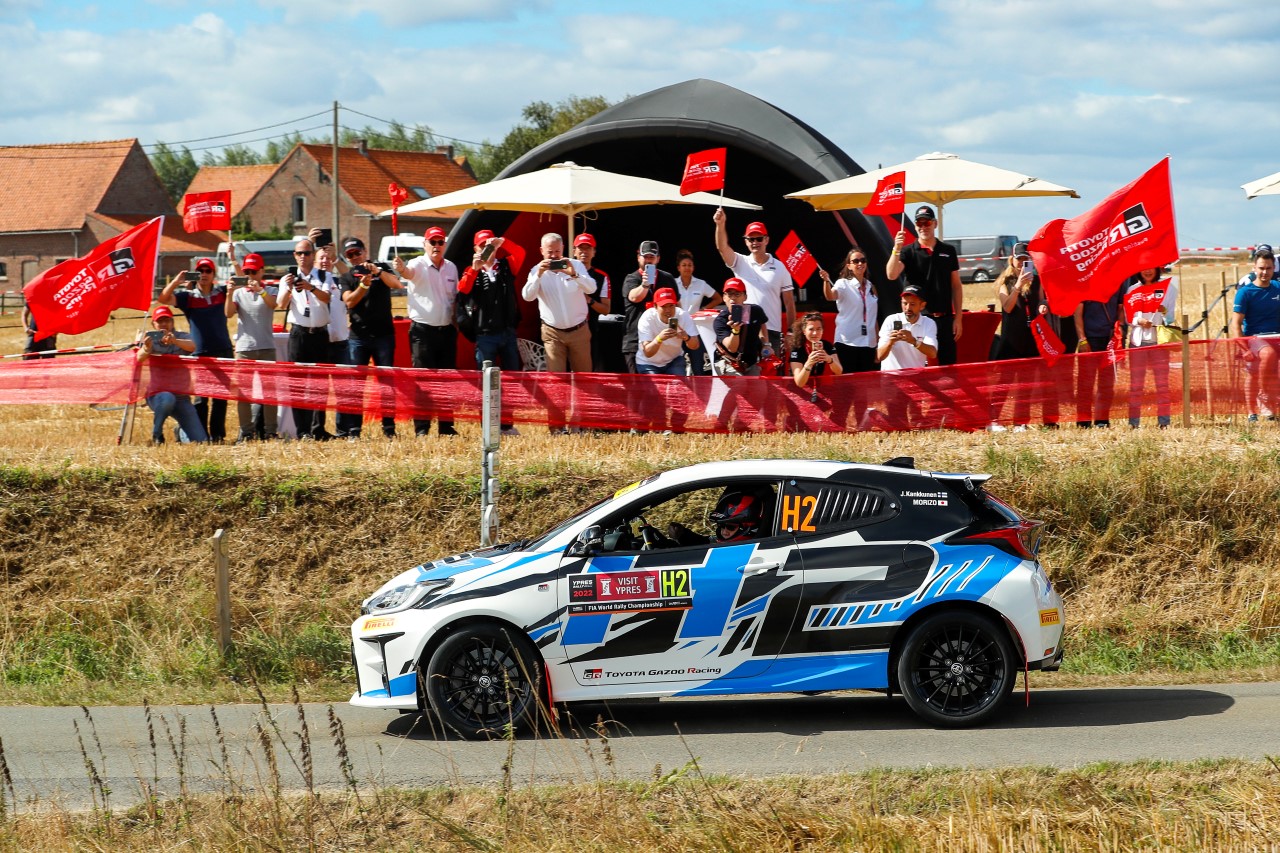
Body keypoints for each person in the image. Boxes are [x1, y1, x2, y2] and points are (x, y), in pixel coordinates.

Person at [157, 256, 234, 442]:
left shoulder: (223, 293)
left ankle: (218, 436)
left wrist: (234, 261)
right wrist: (176, 281)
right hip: (200, 353)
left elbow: (241, 282)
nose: (204, 274)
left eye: (208, 271)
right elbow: (163, 298)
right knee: (201, 398)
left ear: (214, 274)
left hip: (223, 350)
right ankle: (200, 437)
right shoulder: (188, 297)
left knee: (221, 397)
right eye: (200, 271)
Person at [395, 225, 459, 437]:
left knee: (447, 381)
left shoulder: (451, 268)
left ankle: (446, 427)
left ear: (445, 245)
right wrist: (401, 269)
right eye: (433, 242)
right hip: (422, 332)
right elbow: (408, 273)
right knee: (423, 381)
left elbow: (454, 298)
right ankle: (422, 428)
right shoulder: (417, 264)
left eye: (440, 242)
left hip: (446, 330)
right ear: (425, 244)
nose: (436, 246)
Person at [988, 243, 1060, 430]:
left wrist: (1043, 305)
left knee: (1026, 383)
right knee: (1004, 382)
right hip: (1011, 339)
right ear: (1012, 260)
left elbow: (1042, 299)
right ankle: (994, 420)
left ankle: (1021, 421)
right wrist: (1018, 286)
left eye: (1026, 260)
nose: (1022, 263)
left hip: (1031, 338)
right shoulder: (1006, 282)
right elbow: (1007, 307)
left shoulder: (1037, 281)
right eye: (1019, 259)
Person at [885, 205, 964, 365]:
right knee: (919, 364)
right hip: (920, 318)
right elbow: (891, 274)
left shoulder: (948, 250)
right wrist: (896, 249)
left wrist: (958, 318)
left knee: (949, 365)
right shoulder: (908, 251)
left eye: (927, 223)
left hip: (944, 318)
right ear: (915, 226)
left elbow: (956, 285)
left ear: (935, 223)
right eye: (919, 223)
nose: (923, 227)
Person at [341, 237, 401, 438]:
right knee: (356, 386)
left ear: (365, 252)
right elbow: (349, 302)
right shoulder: (347, 276)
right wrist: (363, 286)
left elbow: (397, 284)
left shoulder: (381, 267)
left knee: (387, 384)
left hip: (384, 335)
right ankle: (354, 429)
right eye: (350, 255)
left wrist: (378, 272)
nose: (355, 257)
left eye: (357, 253)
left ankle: (389, 428)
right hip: (358, 336)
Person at [463, 229, 521, 436]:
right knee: (486, 381)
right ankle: (487, 425)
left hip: (507, 332)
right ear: (475, 249)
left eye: (488, 246)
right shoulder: (472, 270)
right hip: (485, 335)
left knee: (512, 380)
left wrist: (502, 242)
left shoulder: (505, 265)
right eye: (482, 246)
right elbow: (463, 289)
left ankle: (507, 425)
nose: (486, 250)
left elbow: (520, 254)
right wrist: (474, 269)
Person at [713, 209, 796, 352]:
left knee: (772, 366)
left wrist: (791, 331)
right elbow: (722, 248)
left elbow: (789, 302)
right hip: (746, 328)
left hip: (772, 330)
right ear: (746, 242)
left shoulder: (780, 267)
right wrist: (720, 224)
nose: (755, 242)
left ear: (766, 240)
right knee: (746, 365)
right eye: (751, 239)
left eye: (759, 239)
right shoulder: (740, 262)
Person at [277, 238, 332, 440]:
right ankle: (302, 431)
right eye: (299, 253)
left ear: (313, 254)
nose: (302, 257)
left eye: (306, 253)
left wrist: (310, 287)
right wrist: (289, 288)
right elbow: (281, 304)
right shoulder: (287, 279)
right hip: (299, 334)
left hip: (319, 333)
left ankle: (318, 429)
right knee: (297, 384)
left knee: (320, 384)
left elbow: (327, 297)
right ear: (294, 255)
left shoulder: (324, 275)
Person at [522, 232, 596, 374]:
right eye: (550, 252)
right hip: (552, 333)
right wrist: (538, 275)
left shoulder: (575, 265)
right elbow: (527, 296)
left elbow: (591, 288)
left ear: (563, 248)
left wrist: (574, 274)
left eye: (557, 251)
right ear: (541, 251)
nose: (554, 256)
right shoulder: (536, 271)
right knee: (556, 378)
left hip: (579, 331)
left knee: (584, 376)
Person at [224, 252, 278, 442]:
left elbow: (273, 305)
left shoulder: (270, 290)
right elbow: (228, 313)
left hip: (266, 347)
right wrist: (229, 293)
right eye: (247, 272)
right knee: (243, 393)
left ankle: (271, 431)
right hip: (244, 349)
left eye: (254, 272)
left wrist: (260, 291)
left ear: (262, 271)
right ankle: (247, 432)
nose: (250, 276)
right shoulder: (239, 293)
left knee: (269, 392)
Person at [135, 305, 207, 445]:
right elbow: (139, 358)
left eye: (167, 320)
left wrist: (175, 341)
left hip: (181, 397)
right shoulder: (149, 339)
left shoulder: (181, 336)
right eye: (160, 321)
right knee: (168, 398)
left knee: (201, 441)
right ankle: (157, 434)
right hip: (157, 394)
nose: (164, 324)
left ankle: (180, 432)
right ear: (153, 324)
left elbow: (194, 346)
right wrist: (147, 348)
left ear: (172, 322)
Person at [877, 285, 938, 427]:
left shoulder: (929, 323)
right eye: (905, 303)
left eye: (912, 304)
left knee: (917, 423)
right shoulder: (891, 320)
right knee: (899, 424)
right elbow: (880, 356)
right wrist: (890, 342)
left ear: (922, 305)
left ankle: (878, 417)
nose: (908, 308)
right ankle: (876, 416)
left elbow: (932, 353)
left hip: (916, 378)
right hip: (892, 378)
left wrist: (914, 341)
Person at [1123, 267, 1177, 428]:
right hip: (1137, 343)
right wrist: (1138, 321)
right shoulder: (1132, 289)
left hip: (1159, 343)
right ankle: (1133, 424)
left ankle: (1164, 423)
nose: (1147, 271)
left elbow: (1171, 318)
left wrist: (1163, 311)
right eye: (1144, 269)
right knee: (1136, 385)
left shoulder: (1168, 288)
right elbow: (1128, 317)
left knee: (1162, 384)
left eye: (1151, 268)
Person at [1231, 249, 1280, 422]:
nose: (1264, 272)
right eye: (1261, 268)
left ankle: (1271, 402)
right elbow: (1236, 324)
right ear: (1254, 268)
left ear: (1274, 269)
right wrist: (1244, 349)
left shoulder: (1278, 288)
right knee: (1267, 355)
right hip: (1255, 338)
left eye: (1268, 268)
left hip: (1277, 336)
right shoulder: (1245, 292)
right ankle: (1257, 404)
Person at [318, 243, 360, 439]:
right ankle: (317, 430)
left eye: (328, 259)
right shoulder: (312, 282)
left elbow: (351, 274)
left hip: (341, 341)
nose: (325, 261)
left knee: (344, 390)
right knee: (320, 390)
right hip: (319, 342)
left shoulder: (340, 281)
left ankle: (343, 430)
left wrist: (334, 257)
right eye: (321, 258)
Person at [1072, 281, 1124, 427]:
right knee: (1085, 383)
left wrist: (1120, 329)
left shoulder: (1117, 282)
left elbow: (1120, 308)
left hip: (1111, 340)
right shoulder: (1084, 282)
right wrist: (1082, 339)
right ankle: (1083, 421)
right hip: (1090, 340)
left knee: (1107, 384)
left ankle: (1102, 420)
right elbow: (1077, 313)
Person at [621, 240, 678, 374]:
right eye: (645, 256)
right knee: (636, 384)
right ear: (638, 257)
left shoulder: (667, 278)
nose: (648, 260)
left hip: (663, 343)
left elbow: (677, 305)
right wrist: (645, 285)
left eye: (652, 257)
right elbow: (634, 297)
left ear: (658, 258)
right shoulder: (631, 278)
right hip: (635, 341)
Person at [822, 248, 878, 374]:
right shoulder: (843, 284)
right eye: (856, 261)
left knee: (865, 382)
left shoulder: (871, 286)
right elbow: (830, 296)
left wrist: (877, 341)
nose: (860, 263)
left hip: (869, 343)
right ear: (849, 266)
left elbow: (873, 317)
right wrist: (826, 281)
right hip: (848, 342)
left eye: (863, 260)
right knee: (848, 382)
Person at [573, 233, 619, 373]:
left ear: (594, 252)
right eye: (581, 248)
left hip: (590, 331)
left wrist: (589, 300)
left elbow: (606, 309)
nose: (584, 252)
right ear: (574, 251)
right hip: (565, 329)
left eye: (588, 248)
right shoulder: (563, 273)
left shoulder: (601, 276)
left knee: (587, 373)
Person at [674, 249, 721, 376]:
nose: (687, 268)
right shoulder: (673, 283)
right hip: (677, 329)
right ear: (678, 268)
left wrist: (703, 309)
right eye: (684, 265)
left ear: (693, 268)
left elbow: (718, 298)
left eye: (689, 265)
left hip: (695, 330)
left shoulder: (701, 284)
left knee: (698, 367)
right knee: (677, 367)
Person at [635, 287, 701, 376]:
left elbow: (695, 345)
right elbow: (648, 352)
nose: (668, 310)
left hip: (674, 360)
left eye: (671, 306)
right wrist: (659, 339)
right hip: (648, 363)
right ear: (655, 306)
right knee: (655, 385)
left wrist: (686, 337)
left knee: (678, 384)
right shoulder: (647, 318)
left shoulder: (683, 315)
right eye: (663, 306)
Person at [712, 278, 770, 376]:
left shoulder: (755, 311)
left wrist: (766, 344)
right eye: (729, 294)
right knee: (739, 383)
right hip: (729, 362)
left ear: (745, 297)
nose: (733, 298)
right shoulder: (720, 320)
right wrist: (735, 331)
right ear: (724, 298)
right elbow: (732, 348)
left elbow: (762, 324)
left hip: (751, 362)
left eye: (737, 294)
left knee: (760, 385)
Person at [790, 311, 842, 391]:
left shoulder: (827, 345)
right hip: (798, 392)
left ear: (822, 331)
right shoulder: (797, 348)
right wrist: (809, 363)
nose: (815, 333)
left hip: (817, 389)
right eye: (811, 329)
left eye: (818, 329)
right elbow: (799, 383)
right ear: (804, 331)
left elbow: (839, 371)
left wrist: (829, 359)